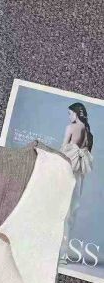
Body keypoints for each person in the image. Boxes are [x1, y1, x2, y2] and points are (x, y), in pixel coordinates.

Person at [60, 102, 94, 263]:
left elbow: (62, 150)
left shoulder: (71, 128)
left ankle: (57, 253)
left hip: (67, 172)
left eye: (70, 113)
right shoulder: (88, 132)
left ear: (75, 113)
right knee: (70, 214)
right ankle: (63, 254)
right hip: (79, 177)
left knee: (60, 212)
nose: (69, 117)